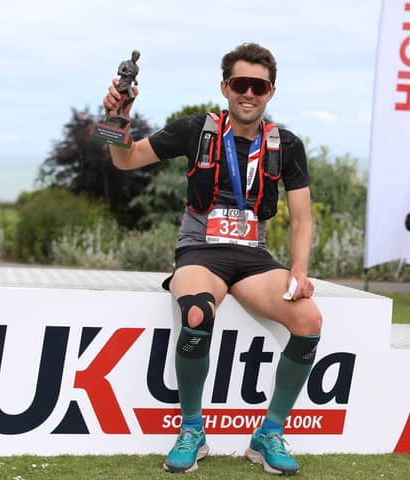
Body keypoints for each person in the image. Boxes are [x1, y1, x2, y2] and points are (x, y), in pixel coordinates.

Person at [102, 43, 321, 476]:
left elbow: (302, 218)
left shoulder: (286, 144)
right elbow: (125, 160)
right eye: (240, 84)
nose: (248, 93)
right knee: (198, 315)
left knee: (309, 321)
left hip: (253, 254)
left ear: (271, 92)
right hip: (200, 250)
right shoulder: (197, 129)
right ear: (225, 87)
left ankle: (268, 434)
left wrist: (299, 270)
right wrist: (115, 118)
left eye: (258, 86)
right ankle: (192, 430)